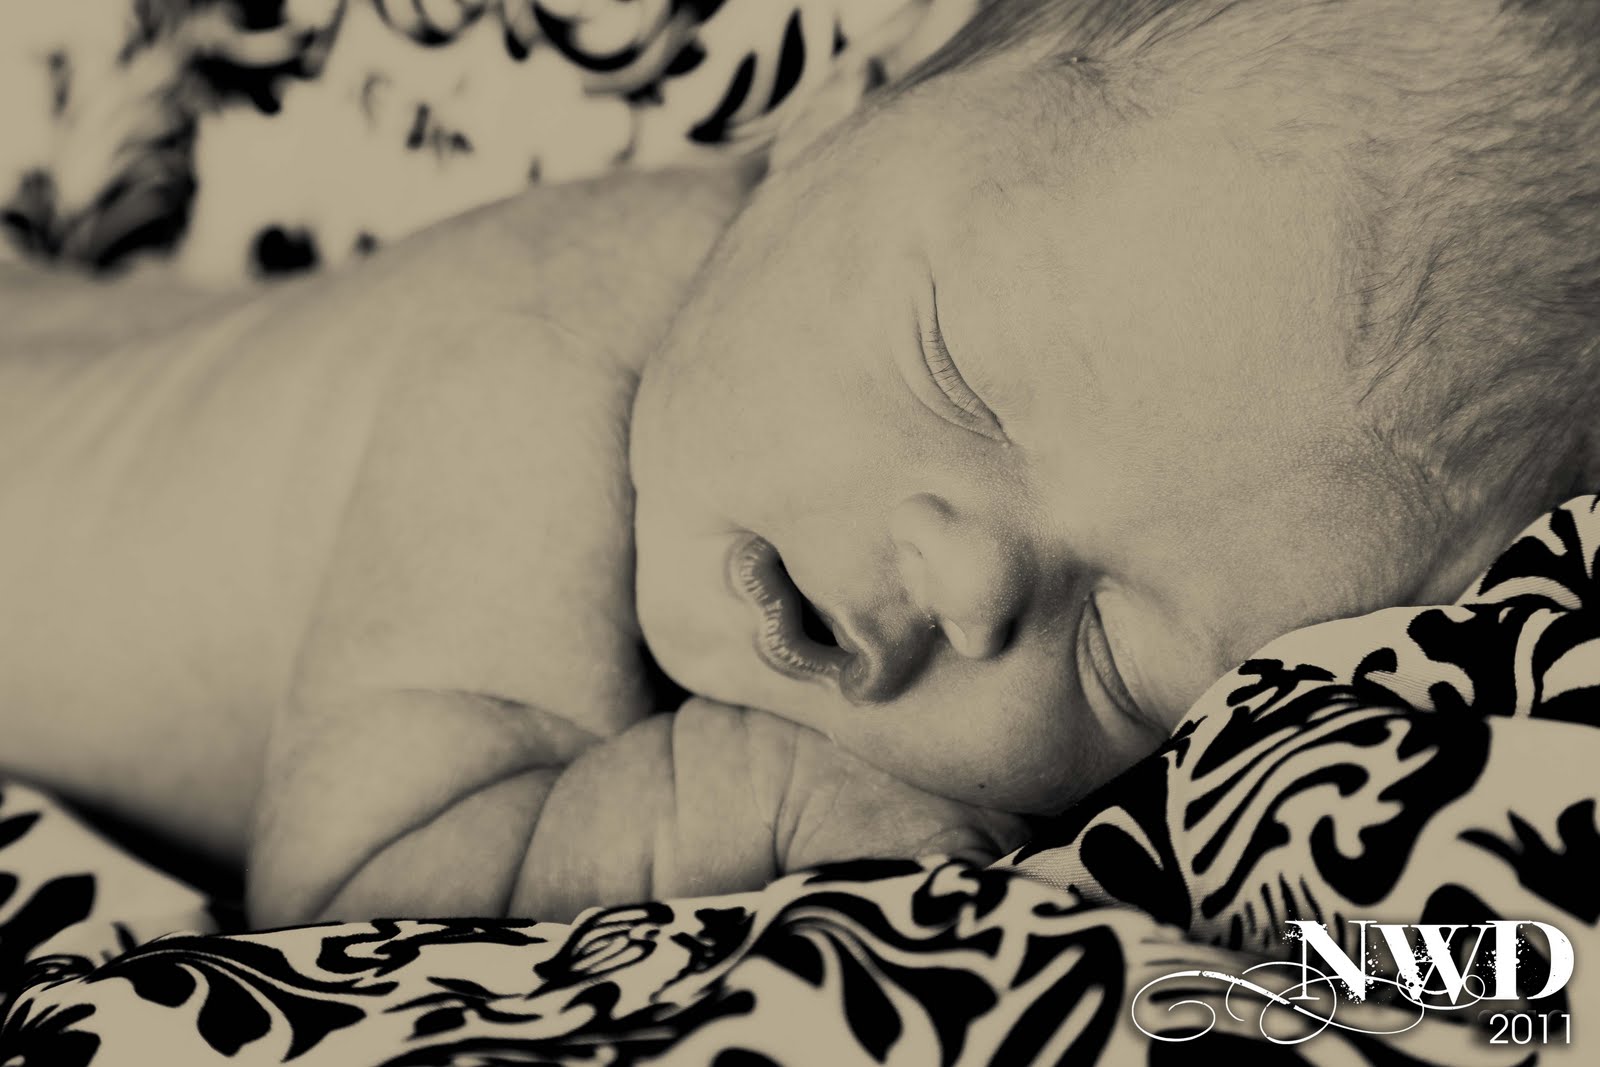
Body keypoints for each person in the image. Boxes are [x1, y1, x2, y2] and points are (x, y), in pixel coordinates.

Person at [1, 0, 1594, 930]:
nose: (970, 575)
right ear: (834, 125)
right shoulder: (540, 369)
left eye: (1123, 654)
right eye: (953, 365)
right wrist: (725, 793)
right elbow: (355, 895)